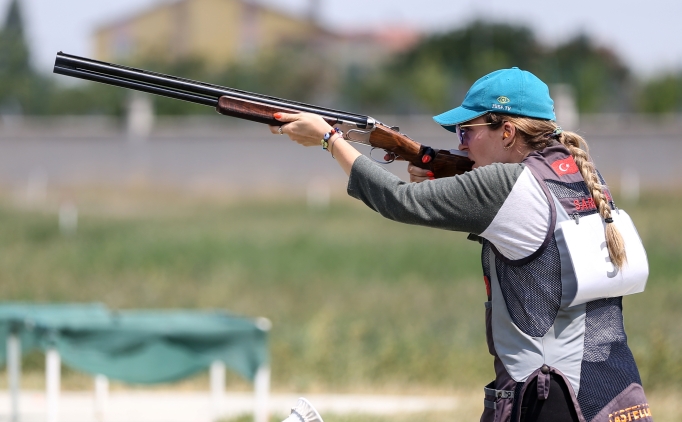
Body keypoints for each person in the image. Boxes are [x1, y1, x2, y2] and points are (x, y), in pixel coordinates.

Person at [269, 68, 652, 422]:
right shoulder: (579, 172)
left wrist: (329, 139)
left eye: (467, 130)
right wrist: (444, 171)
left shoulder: (506, 185)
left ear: (507, 132)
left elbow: (399, 200)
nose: (462, 143)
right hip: (614, 394)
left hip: (547, 399)